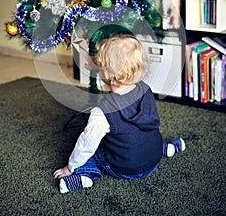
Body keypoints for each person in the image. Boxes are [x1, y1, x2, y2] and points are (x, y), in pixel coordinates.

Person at [53, 34, 185, 193]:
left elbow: (86, 144)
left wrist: (70, 167)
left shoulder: (101, 112)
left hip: (125, 169)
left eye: (101, 64)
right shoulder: (145, 89)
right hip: (153, 158)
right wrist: (99, 66)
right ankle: (165, 148)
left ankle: (86, 175)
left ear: (106, 73)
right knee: (141, 133)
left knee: (93, 148)